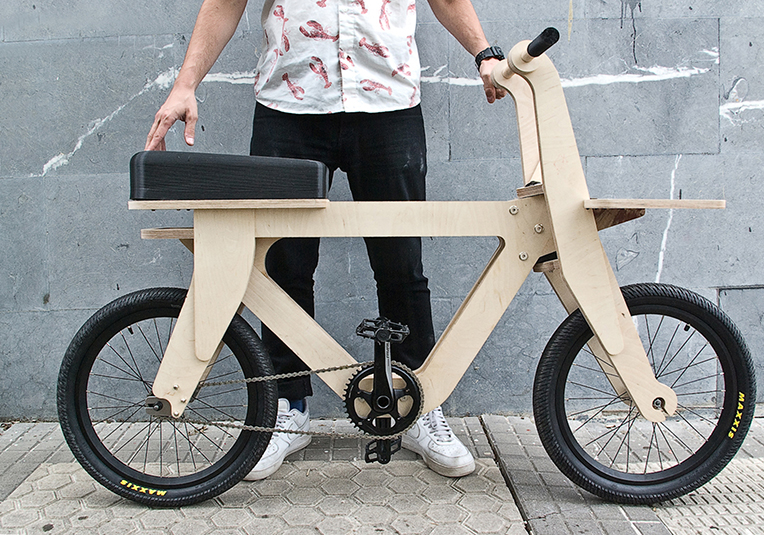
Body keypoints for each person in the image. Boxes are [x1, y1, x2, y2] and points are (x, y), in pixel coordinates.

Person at [145, 0, 506, 480]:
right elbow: (226, 3)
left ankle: (417, 403)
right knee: (283, 269)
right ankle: (287, 409)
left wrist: (484, 53)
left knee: (401, 266)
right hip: (289, 105)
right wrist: (184, 86)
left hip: (388, 103)